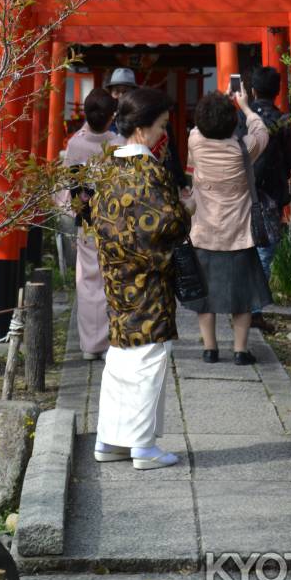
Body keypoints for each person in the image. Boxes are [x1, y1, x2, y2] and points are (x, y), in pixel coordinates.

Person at [90, 87, 192, 470]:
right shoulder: (151, 169)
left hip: (116, 273)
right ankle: (143, 445)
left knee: (120, 356)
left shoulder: (110, 166)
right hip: (148, 277)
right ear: (146, 127)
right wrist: (188, 209)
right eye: (162, 125)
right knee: (150, 357)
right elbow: (167, 222)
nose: (163, 132)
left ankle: (109, 439)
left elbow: (95, 213)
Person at [183, 88, 272, 365]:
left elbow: (201, 126)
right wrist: (244, 106)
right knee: (242, 296)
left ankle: (210, 349)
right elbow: (262, 131)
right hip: (238, 234)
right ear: (233, 123)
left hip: (204, 231)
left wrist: (215, 104)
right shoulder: (244, 149)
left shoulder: (195, 140)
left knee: (204, 296)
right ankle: (240, 350)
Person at [62, 88, 123, 361]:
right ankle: (111, 339)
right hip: (114, 219)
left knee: (87, 282)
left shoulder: (76, 144)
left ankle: (90, 345)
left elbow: (68, 185)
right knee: (112, 277)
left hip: (86, 217)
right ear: (112, 116)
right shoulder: (118, 143)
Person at [249, 65, 291, 333]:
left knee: (242, 249)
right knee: (264, 251)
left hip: (241, 192)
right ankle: (254, 310)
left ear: (253, 90)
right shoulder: (282, 121)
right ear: (278, 92)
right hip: (270, 195)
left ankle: (243, 306)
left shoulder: (241, 118)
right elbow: (289, 159)